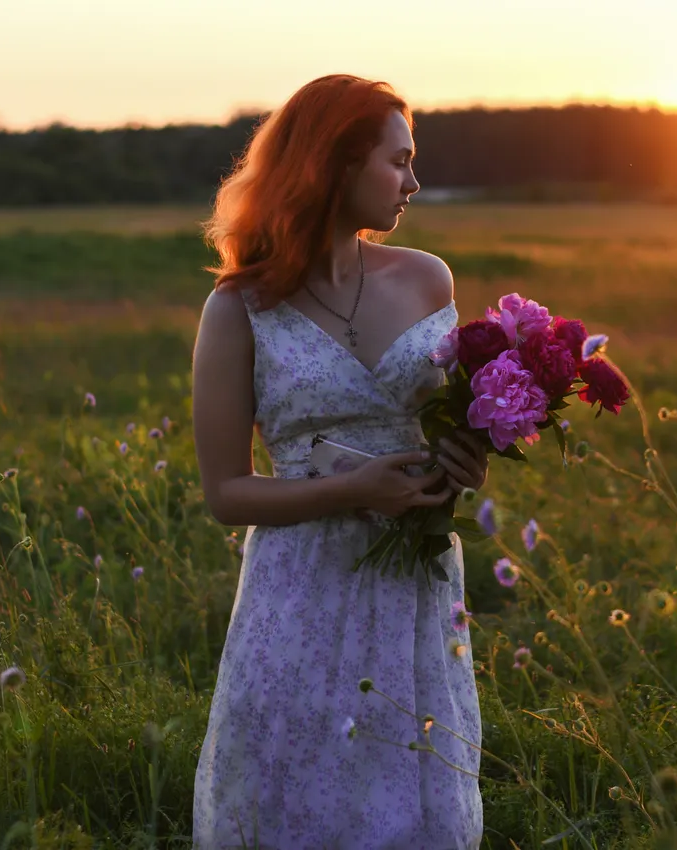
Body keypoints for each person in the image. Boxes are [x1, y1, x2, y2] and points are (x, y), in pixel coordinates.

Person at [189, 74, 490, 849]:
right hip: (299, 589)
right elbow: (226, 492)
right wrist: (353, 489)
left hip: (412, 583)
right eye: (399, 161)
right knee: (297, 796)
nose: (414, 183)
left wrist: (461, 459)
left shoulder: (428, 280)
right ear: (337, 163)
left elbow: (443, 426)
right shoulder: (238, 310)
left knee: (413, 796)